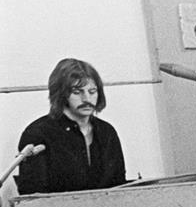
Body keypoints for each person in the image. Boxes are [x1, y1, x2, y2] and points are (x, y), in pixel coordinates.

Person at [16, 58, 126, 194]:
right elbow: (32, 195)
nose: (86, 99)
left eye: (92, 92)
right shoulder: (38, 133)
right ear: (61, 94)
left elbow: (119, 185)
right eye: (77, 92)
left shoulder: (106, 131)